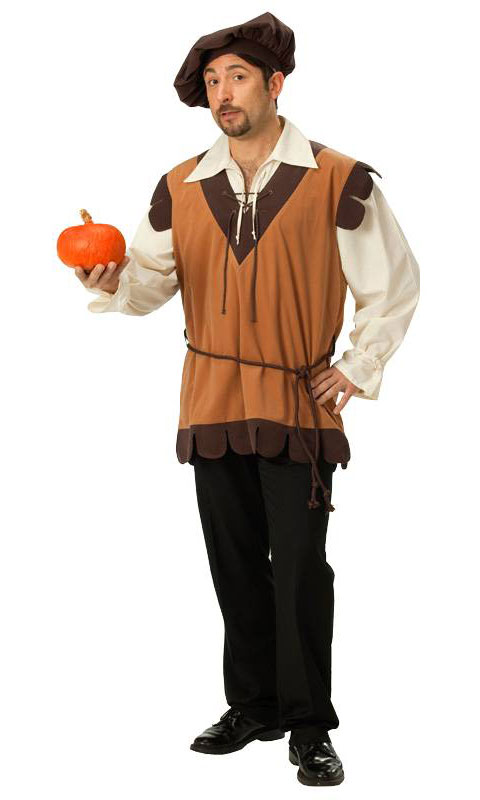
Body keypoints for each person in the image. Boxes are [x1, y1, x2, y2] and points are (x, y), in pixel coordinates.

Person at [74, 11, 420, 787]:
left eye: (236, 77)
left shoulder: (339, 178)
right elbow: (147, 283)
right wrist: (111, 281)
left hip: (297, 404)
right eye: (212, 82)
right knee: (234, 566)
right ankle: (255, 705)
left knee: (299, 570)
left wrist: (357, 366)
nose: (223, 93)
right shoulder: (180, 185)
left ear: (275, 83)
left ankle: (309, 724)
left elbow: (394, 284)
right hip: (211, 402)